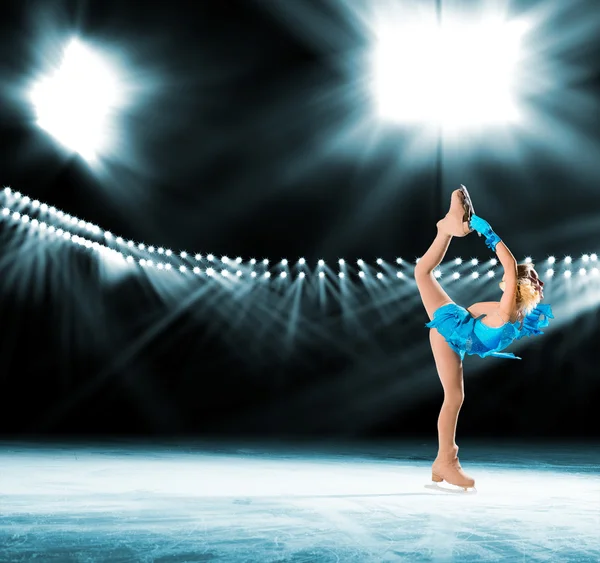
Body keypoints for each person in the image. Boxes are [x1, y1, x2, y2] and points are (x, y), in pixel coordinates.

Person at [414, 185, 553, 490]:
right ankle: (445, 461)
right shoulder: (507, 311)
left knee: (455, 397)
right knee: (422, 274)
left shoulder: (512, 312)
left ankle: (443, 462)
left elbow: (493, 289)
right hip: (452, 330)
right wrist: (482, 228)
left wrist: (488, 234)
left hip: (457, 333)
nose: (508, 275)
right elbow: (499, 282)